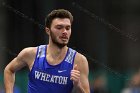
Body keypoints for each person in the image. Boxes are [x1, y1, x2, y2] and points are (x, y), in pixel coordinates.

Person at [4, 9, 90, 93]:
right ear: (48, 31)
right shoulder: (31, 54)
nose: (64, 32)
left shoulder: (79, 61)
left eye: (68, 28)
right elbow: (9, 70)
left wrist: (77, 85)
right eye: (59, 27)